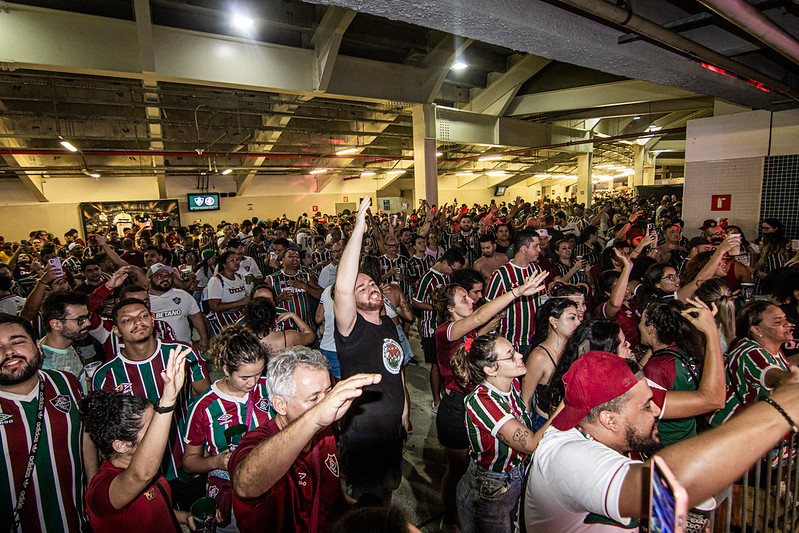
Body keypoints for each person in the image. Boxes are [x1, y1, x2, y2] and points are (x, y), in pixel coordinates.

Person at [523, 349, 799, 531]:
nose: (656, 411)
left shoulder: (601, 435)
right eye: (646, 406)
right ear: (609, 420)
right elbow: (665, 486)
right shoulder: (567, 456)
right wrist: (779, 410)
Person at [432, 270, 548, 533]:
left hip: (481, 406)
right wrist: (517, 292)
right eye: (463, 298)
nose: (471, 300)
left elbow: (479, 325)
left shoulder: (469, 332)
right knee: (457, 470)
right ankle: (449, 518)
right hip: (456, 409)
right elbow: (478, 317)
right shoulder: (445, 331)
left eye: (469, 296)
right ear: (450, 308)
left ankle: (468, 511)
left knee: (475, 467)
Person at [229, 346, 382, 532]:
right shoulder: (256, 442)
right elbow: (245, 485)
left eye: (328, 392)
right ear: (280, 404)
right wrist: (316, 417)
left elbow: (329, 494)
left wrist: (362, 511)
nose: (326, 405)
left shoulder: (324, 433)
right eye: (313, 398)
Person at [92, 298, 210, 498]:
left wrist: (206, 447)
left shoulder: (181, 353)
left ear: (153, 319)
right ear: (117, 331)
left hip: (187, 458)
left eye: (143, 316)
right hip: (141, 469)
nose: (138, 322)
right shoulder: (106, 374)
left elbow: (207, 401)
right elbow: (105, 433)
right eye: (127, 320)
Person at [334, 197, 409, 503]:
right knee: (365, 504)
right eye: (361, 288)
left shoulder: (388, 323)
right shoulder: (351, 330)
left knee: (388, 489)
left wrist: (404, 410)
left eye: (372, 284)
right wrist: (359, 230)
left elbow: (396, 368)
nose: (371, 288)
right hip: (362, 435)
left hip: (393, 429)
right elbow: (342, 287)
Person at [0, 313, 96, 531]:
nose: (9, 352)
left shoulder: (66, 382)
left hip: (77, 521)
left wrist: (92, 487)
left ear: (38, 346)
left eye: (17, 341)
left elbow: (84, 434)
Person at [82, 348, 195, 531]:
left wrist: (186, 516)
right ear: (121, 445)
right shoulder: (101, 491)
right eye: (151, 428)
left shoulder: (145, 466)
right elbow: (140, 476)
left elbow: (154, 510)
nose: (159, 430)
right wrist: (167, 401)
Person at [450, 333, 552, 533]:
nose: (520, 356)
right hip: (491, 487)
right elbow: (531, 444)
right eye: (510, 355)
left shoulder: (512, 384)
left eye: (515, 351)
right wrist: (568, 404)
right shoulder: (482, 401)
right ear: (490, 369)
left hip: (513, 475)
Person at [183, 326, 273, 531]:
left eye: (259, 373)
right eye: (245, 377)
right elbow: (189, 463)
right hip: (231, 491)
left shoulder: (269, 387)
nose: (253, 382)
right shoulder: (204, 407)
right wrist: (216, 461)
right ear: (225, 369)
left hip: (273, 482)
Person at [640, 299, 726, 446]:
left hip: (667, 444)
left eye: (641, 322)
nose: (638, 326)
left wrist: (711, 331)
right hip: (689, 435)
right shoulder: (686, 349)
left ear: (651, 328)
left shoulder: (656, 369)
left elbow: (646, 417)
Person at [710, 301, 797, 426]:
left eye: (785, 319)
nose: (788, 324)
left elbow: (780, 366)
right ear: (756, 329)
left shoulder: (769, 348)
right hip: (731, 429)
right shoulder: (750, 353)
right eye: (778, 322)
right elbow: (775, 376)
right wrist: (792, 379)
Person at [414, 248, 465, 412]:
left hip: (448, 328)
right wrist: (438, 308)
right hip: (432, 328)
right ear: (445, 263)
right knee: (436, 365)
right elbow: (415, 302)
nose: (454, 273)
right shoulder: (428, 278)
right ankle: (436, 401)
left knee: (447, 363)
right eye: (453, 269)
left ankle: (444, 392)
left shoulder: (447, 277)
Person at [520, 297, 581, 429]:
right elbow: (526, 400)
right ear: (554, 321)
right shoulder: (539, 357)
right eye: (572, 318)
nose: (578, 322)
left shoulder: (576, 348)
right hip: (545, 424)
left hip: (572, 423)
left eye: (577, 318)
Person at [485, 229, 547, 357]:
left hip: (536, 339)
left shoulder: (537, 270)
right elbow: (488, 309)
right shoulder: (501, 274)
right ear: (524, 249)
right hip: (512, 341)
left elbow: (543, 300)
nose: (539, 250)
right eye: (535, 246)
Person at [147, 262, 209, 351]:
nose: (165, 279)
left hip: (183, 348)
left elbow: (196, 316)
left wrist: (204, 338)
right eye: (159, 276)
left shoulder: (183, 295)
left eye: (167, 276)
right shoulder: (145, 300)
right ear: (149, 280)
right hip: (157, 351)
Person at [39, 290, 92, 381]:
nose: (88, 323)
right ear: (56, 324)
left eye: (87, 317)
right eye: (80, 320)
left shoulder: (67, 342)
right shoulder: (45, 366)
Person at [267, 248, 323, 325]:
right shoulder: (272, 279)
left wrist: (304, 286)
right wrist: (278, 299)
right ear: (283, 259)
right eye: (291, 256)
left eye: (297, 257)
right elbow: (263, 303)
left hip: (305, 325)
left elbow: (322, 295)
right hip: (282, 327)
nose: (295, 259)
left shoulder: (306, 276)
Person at [242, 296, 316, 351]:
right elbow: (310, 336)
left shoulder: (242, 340)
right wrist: (293, 315)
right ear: (273, 316)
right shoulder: (288, 337)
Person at [206, 250, 249, 335]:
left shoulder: (239, 277)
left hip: (239, 316)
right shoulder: (216, 280)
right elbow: (214, 307)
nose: (236, 262)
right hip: (224, 319)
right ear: (224, 264)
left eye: (237, 259)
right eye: (232, 260)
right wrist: (239, 303)